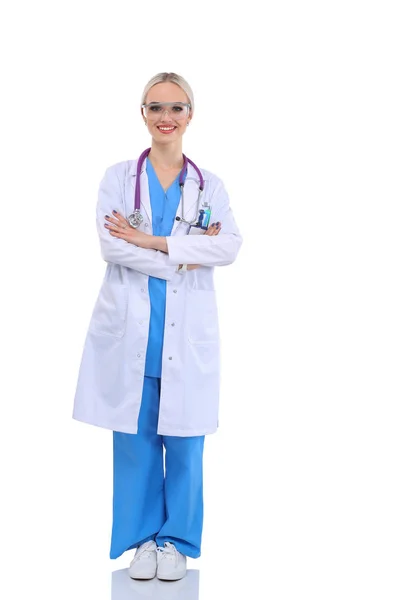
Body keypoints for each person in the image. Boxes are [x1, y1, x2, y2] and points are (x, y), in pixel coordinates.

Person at [72, 72, 243, 581]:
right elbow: (110, 246)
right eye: (155, 107)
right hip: (131, 337)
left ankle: (178, 542)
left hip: (187, 339)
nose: (165, 117)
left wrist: (150, 242)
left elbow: (229, 247)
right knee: (135, 442)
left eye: (176, 107)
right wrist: (188, 251)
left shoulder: (209, 185)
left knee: (187, 442)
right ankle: (143, 541)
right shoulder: (117, 178)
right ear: (142, 114)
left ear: (191, 114)